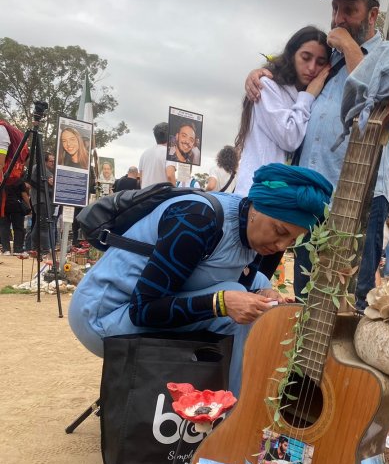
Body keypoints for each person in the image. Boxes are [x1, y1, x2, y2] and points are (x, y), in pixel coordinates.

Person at [68, 163, 333, 395]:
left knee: (261, 286)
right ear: (257, 207)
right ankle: (235, 414)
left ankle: (231, 393)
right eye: (279, 231)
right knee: (233, 304)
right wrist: (222, 303)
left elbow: (227, 277)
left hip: (133, 311)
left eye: (292, 240)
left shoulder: (257, 234)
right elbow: (143, 311)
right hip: (103, 317)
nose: (280, 245)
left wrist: (264, 294)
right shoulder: (197, 220)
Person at [246, 0, 389, 311]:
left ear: (372, 16)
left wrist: (348, 46)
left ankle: (338, 367)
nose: (338, 19)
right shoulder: (328, 60)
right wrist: (259, 72)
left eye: (349, 11)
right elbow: (289, 80)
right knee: (307, 295)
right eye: (336, 9)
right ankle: (307, 367)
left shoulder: (388, 55)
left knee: (349, 302)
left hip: (359, 199)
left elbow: (376, 99)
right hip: (312, 198)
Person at [234, 26, 330, 198]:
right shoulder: (268, 86)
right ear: (292, 54)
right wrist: (307, 96)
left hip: (283, 198)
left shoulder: (312, 98)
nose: (311, 67)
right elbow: (289, 137)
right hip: (257, 195)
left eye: (320, 62)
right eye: (306, 58)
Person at [28, 153, 56, 256]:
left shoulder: (49, 171)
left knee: (38, 225)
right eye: (51, 161)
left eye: (54, 161)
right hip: (41, 201)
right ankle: (45, 250)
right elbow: (29, 180)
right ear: (44, 161)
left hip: (47, 201)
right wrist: (45, 186)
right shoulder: (38, 168)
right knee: (43, 226)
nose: (53, 163)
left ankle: (34, 248)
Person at [138, 122, 175, 188]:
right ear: (170, 136)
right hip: (161, 195)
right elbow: (170, 175)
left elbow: (141, 179)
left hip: (145, 194)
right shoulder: (170, 153)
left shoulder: (144, 153)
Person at [0, 179, 29, 255]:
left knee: (4, 227)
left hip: (3, 206)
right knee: (18, 228)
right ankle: (18, 249)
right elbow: (24, 194)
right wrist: (29, 206)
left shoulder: (2, 179)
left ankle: (6, 250)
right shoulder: (19, 180)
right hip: (16, 206)